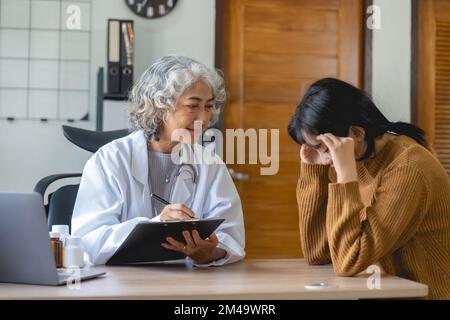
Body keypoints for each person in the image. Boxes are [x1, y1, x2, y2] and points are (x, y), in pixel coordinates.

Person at [72, 55, 245, 266]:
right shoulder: (110, 160)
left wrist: (211, 253)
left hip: (188, 285)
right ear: (159, 105)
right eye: (193, 106)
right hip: (122, 286)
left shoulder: (211, 164)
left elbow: (232, 237)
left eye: (208, 107)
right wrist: (158, 224)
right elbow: (88, 243)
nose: (204, 119)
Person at [288, 78, 450, 299]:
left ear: (356, 132)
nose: (326, 159)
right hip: (387, 293)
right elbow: (319, 253)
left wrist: (345, 177)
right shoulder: (357, 158)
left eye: (323, 147)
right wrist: (313, 171)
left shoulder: (408, 168)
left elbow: (349, 261)